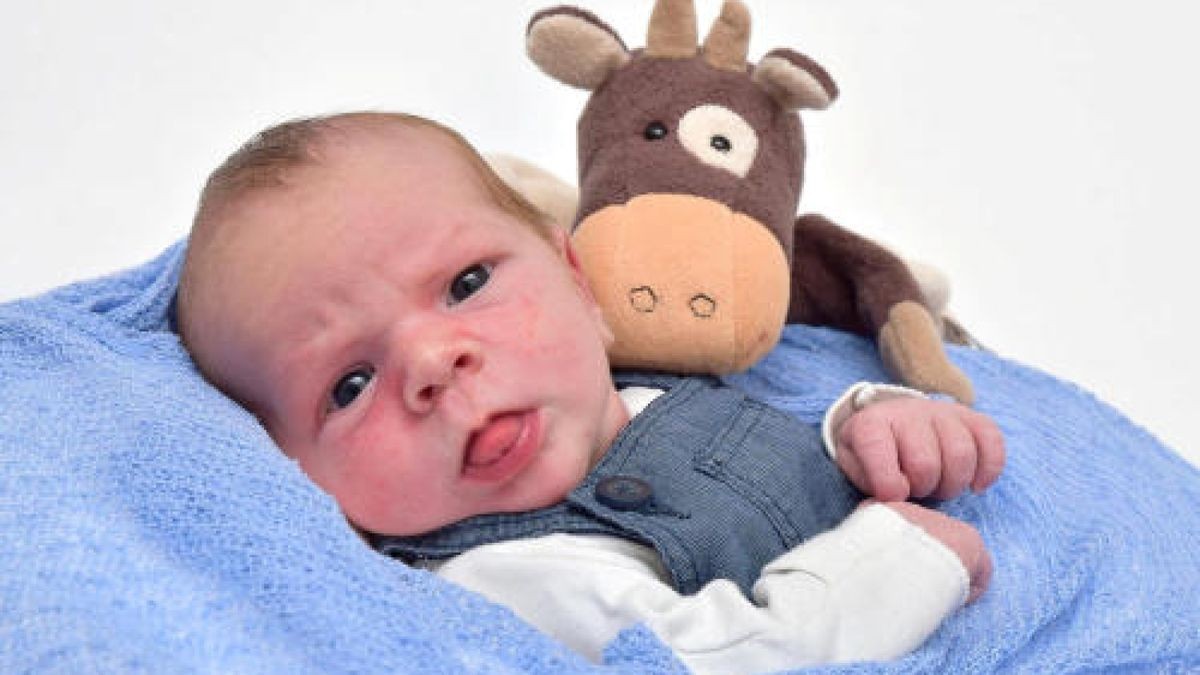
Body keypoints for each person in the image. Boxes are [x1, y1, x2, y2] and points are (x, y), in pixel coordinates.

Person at [175, 111, 1004, 673]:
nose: (434, 360)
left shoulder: (646, 389)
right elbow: (735, 658)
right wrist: (902, 552)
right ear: (294, 473)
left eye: (465, 283)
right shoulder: (514, 576)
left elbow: (774, 457)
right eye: (349, 384)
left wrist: (869, 427)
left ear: (575, 275)